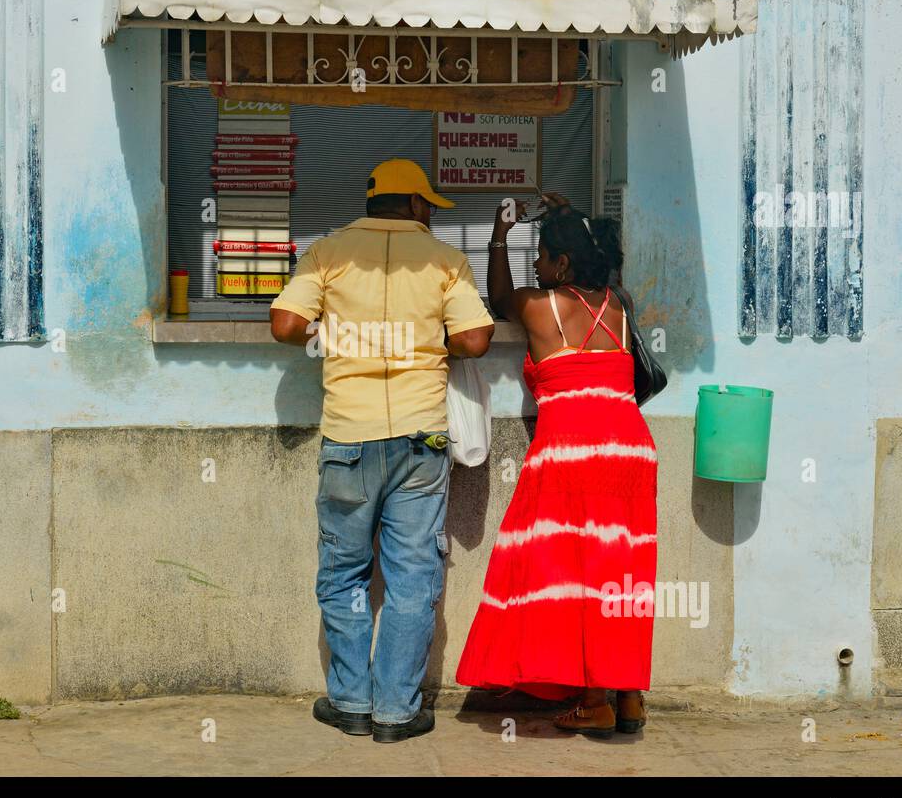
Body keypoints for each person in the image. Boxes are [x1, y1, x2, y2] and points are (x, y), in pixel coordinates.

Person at [270, 158, 495, 743]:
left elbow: (284, 325)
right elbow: (474, 339)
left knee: (343, 570)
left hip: (349, 436)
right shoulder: (445, 261)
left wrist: (330, 332)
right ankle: (397, 711)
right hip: (422, 437)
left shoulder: (327, 254)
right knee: (414, 576)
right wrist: (426, 339)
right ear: (416, 204)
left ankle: (349, 702)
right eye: (428, 206)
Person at [454, 191, 657, 737]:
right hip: (631, 449)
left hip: (574, 450)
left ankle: (594, 700)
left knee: (572, 572)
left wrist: (500, 231)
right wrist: (571, 216)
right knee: (621, 574)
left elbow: (496, 296)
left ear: (561, 265)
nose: (536, 266)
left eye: (542, 256)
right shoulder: (620, 304)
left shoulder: (541, 309)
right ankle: (628, 696)